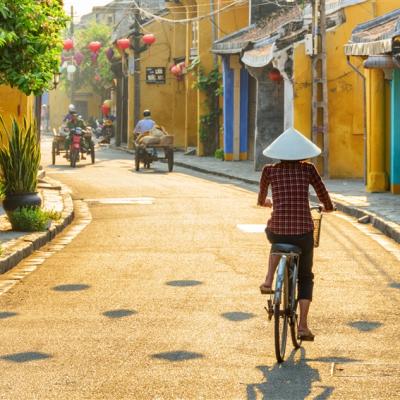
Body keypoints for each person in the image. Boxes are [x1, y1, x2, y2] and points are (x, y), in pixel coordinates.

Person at [257, 127, 334, 342]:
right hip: (302, 232)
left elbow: (261, 199)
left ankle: (269, 279)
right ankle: (302, 326)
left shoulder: (269, 171)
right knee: (305, 276)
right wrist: (328, 206)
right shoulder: (308, 170)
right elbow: (323, 194)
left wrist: (268, 202)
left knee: (275, 238)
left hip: (278, 230)